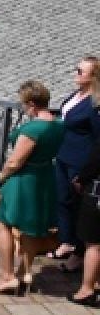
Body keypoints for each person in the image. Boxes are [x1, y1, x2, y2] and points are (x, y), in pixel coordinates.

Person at [0, 80, 63, 294]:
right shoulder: (59, 124)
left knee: (2, 222)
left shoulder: (33, 129)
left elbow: (15, 161)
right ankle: (24, 272)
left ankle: (7, 276)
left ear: (31, 104)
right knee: (31, 227)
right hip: (45, 177)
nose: (22, 108)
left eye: (23, 104)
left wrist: (1, 177)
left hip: (24, 181)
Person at [54, 57, 100, 269]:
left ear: (93, 77)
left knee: (79, 207)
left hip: (80, 161)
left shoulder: (95, 103)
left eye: (81, 71)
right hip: (63, 156)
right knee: (63, 200)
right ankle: (66, 242)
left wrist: (86, 172)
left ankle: (79, 254)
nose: (76, 73)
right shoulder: (76, 95)